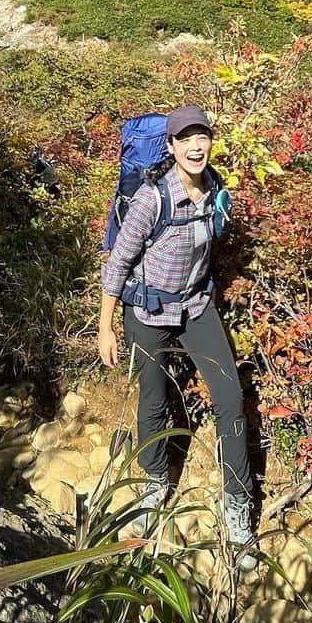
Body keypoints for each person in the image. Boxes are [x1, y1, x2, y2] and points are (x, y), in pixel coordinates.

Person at [98, 104, 255, 563]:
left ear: (210, 141)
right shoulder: (152, 199)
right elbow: (118, 264)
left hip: (196, 307)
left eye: (201, 136)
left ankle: (237, 507)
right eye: (184, 138)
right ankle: (153, 484)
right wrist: (105, 327)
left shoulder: (214, 188)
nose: (195, 146)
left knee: (229, 400)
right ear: (170, 146)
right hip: (147, 314)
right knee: (154, 399)